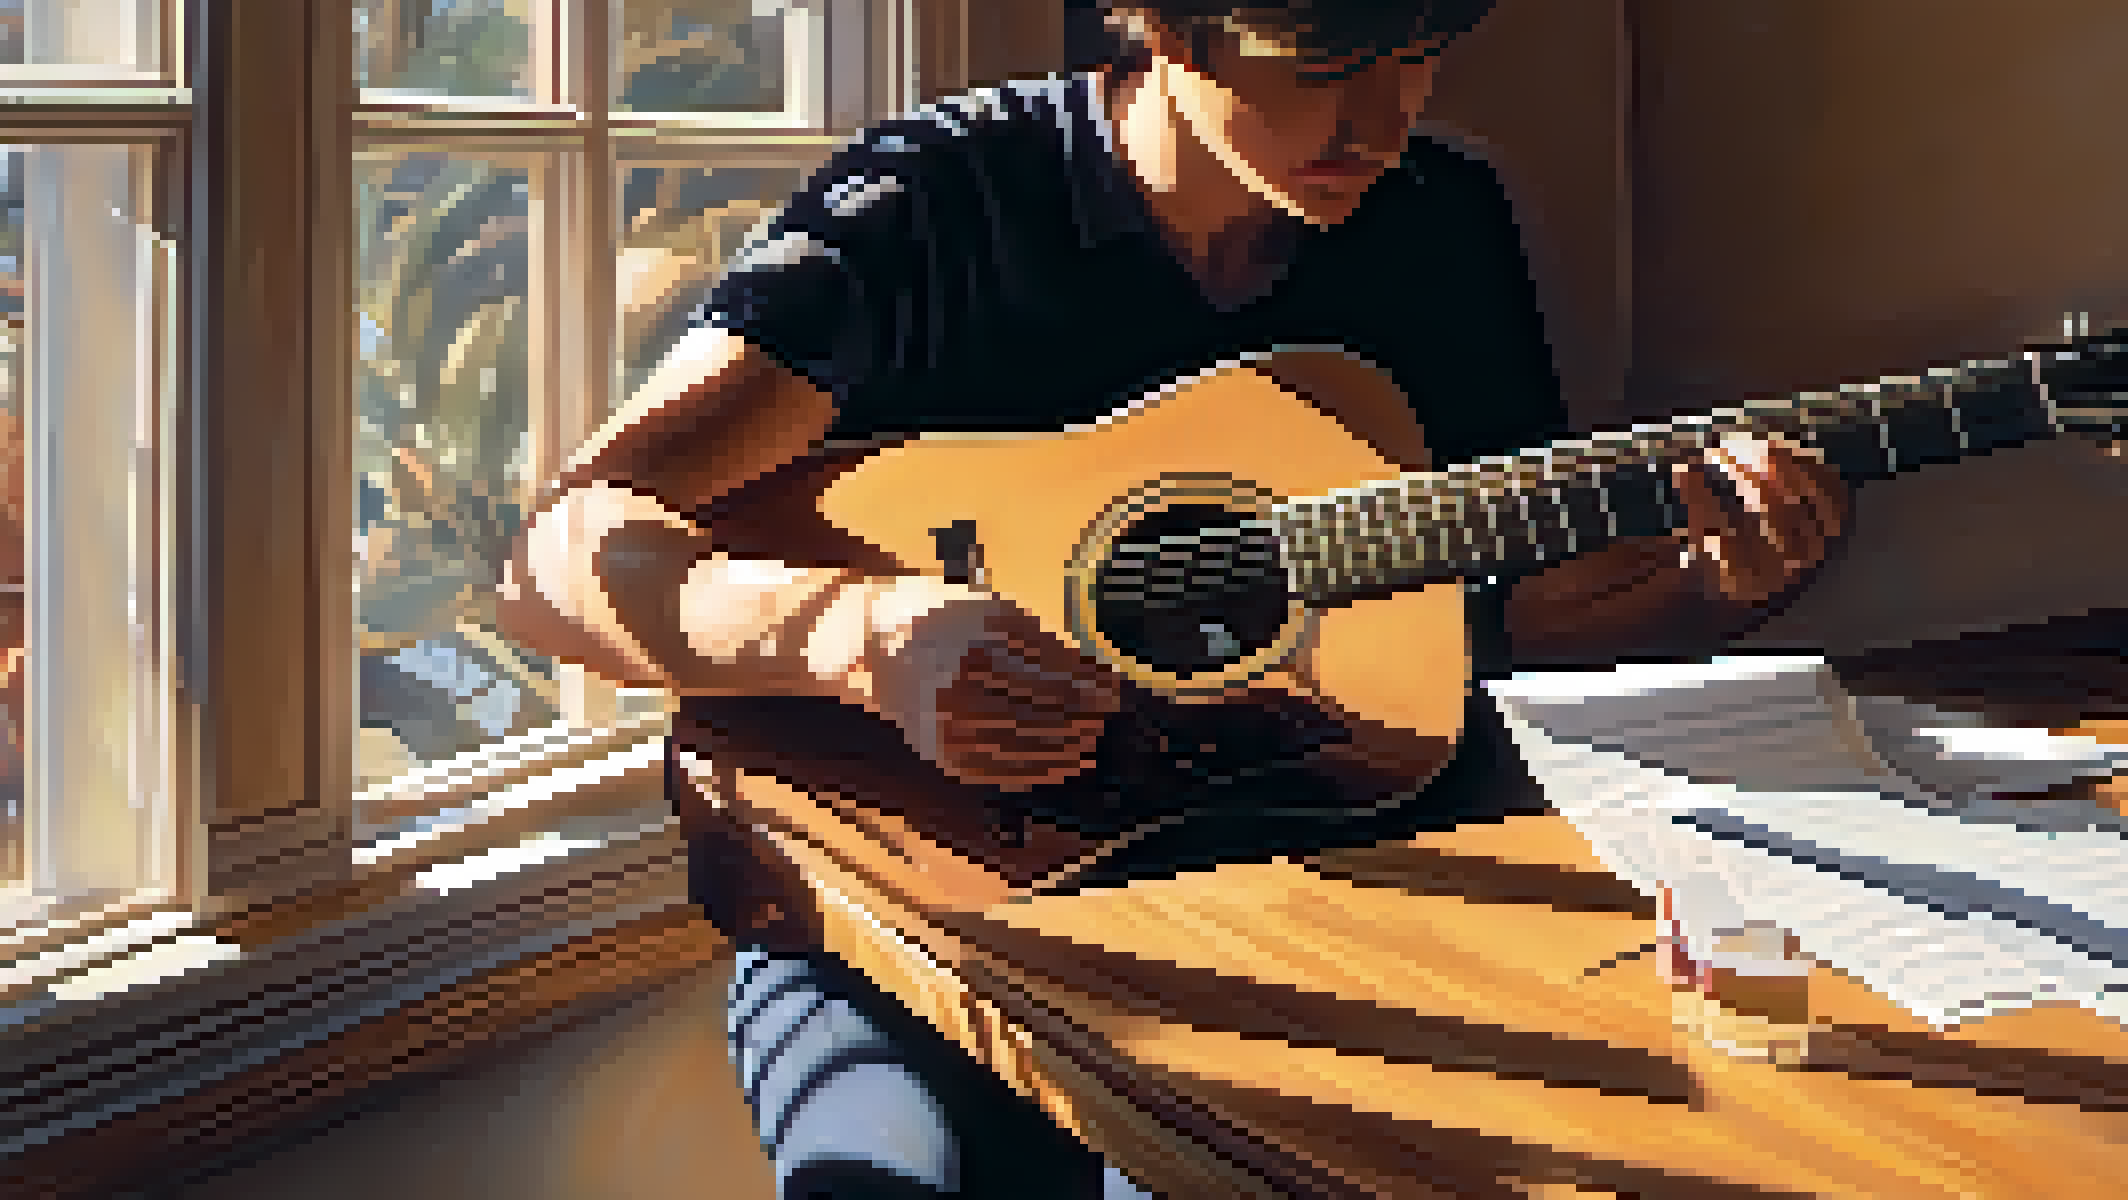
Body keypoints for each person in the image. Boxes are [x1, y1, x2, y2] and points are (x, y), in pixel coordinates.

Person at [497, 1, 1849, 1195]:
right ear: (1161, 18)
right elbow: (558, 563)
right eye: (1323, 60)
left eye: (1420, 58)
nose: (1380, 121)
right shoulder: (936, 199)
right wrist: (871, 641)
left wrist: (1708, 588)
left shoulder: (1443, 221)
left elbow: (1502, 622)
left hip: (1301, 884)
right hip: (926, 916)